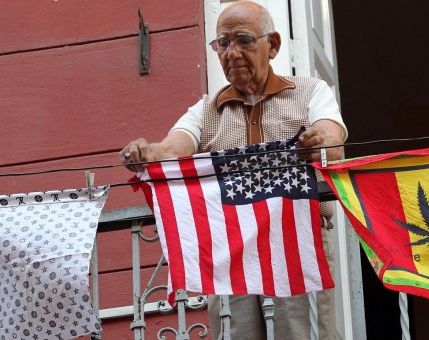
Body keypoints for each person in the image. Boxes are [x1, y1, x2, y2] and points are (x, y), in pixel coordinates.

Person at [120, 1, 347, 339]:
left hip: (296, 237)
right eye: (222, 43)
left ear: (272, 45)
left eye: (243, 40)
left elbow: (332, 138)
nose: (231, 52)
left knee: (301, 333)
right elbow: (171, 150)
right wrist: (147, 152)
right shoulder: (206, 109)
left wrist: (321, 139)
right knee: (236, 333)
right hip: (228, 244)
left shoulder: (310, 91)